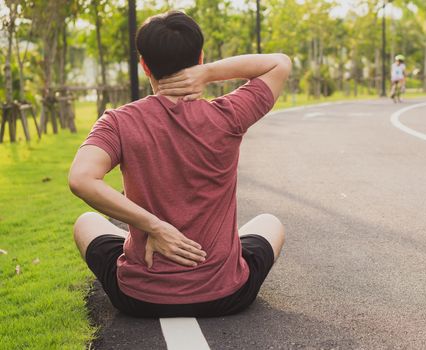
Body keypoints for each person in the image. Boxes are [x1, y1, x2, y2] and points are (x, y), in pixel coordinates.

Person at [68, 11, 291, 318]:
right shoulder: (228, 115)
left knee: (85, 222)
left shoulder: (118, 122)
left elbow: (81, 179)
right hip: (227, 295)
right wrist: (209, 72)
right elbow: (280, 62)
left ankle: (140, 241)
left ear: (144, 64)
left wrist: (154, 227)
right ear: (200, 57)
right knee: (269, 222)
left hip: (139, 297)